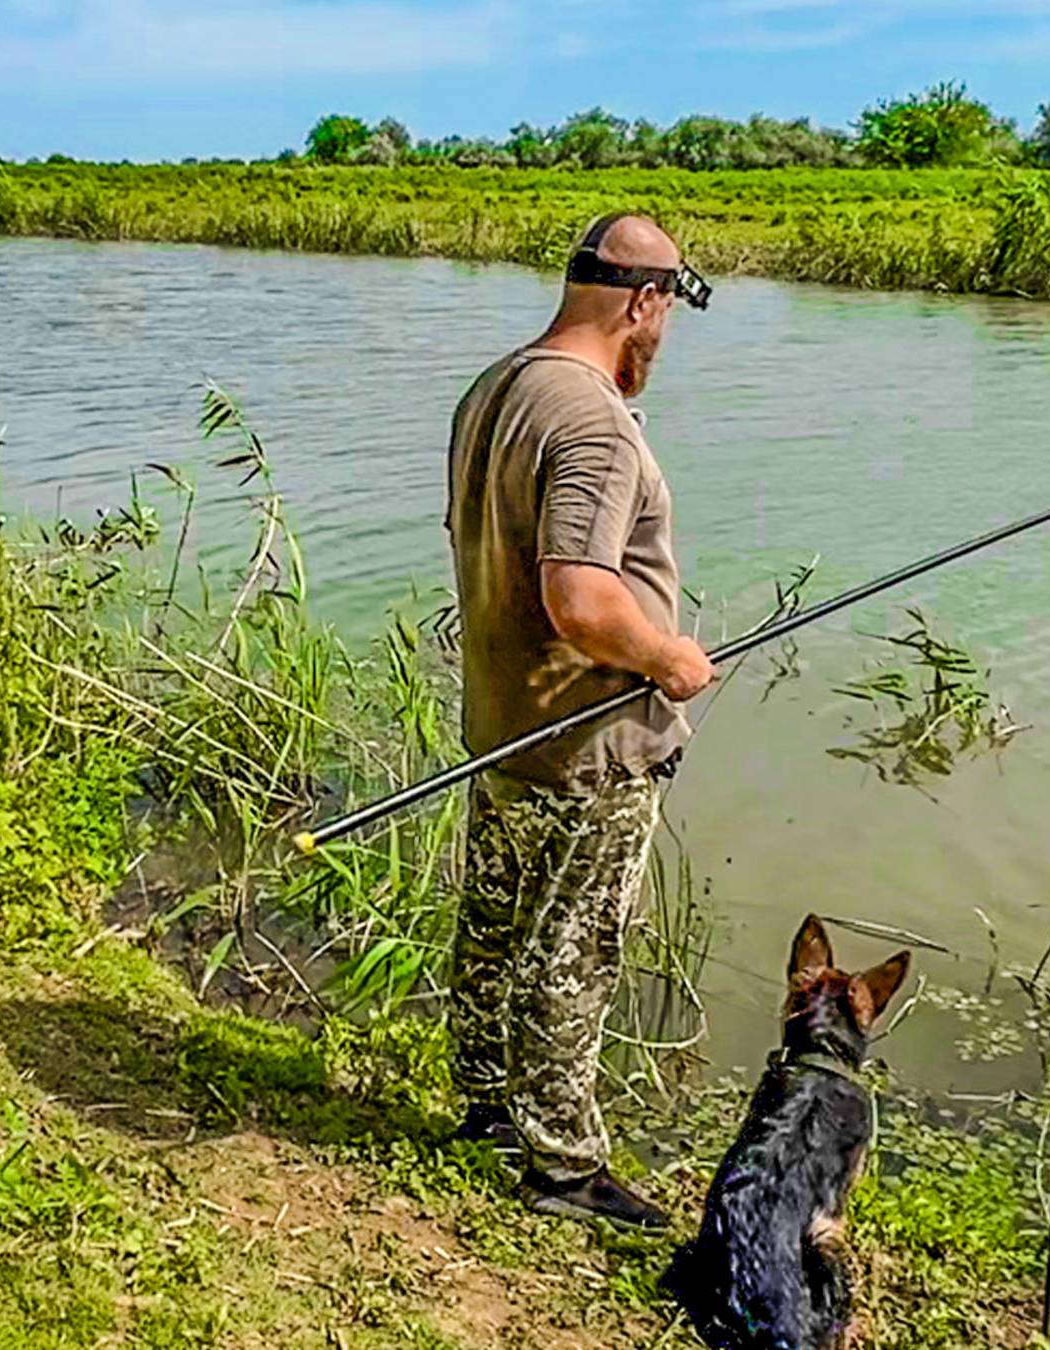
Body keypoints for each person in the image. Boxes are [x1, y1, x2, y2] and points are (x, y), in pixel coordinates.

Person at [442, 213, 715, 1229]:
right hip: (588, 744)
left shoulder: (499, 386)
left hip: (505, 727)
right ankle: (561, 1169)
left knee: (495, 927)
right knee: (574, 947)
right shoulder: (595, 424)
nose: (662, 340)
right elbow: (581, 598)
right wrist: (668, 657)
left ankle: (482, 1102)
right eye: (668, 315)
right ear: (645, 301)